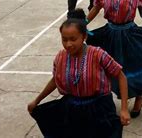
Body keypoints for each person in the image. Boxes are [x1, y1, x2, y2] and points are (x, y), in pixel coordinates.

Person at [27, 9, 130, 137]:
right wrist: (36, 101)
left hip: (99, 108)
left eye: (73, 39)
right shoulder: (60, 57)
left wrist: (124, 109)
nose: (68, 44)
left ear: (84, 36)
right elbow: (55, 80)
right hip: (72, 109)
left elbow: (121, 76)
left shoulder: (98, 54)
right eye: (64, 39)